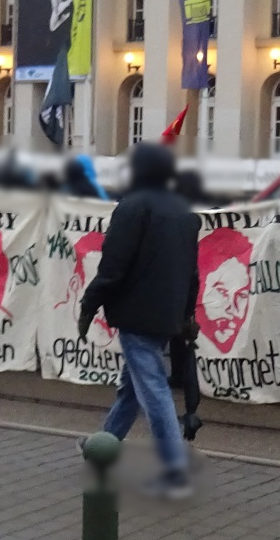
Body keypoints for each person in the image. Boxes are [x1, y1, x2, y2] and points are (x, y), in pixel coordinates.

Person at [79, 142, 199, 497]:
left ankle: (174, 467)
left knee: (152, 387)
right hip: (168, 312)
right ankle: (104, 444)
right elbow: (192, 272)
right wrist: (188, 312)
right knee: (133, 384)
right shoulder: (185, 211)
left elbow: (113, 266)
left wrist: (90, 303)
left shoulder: (132, 208)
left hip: (136, 310)